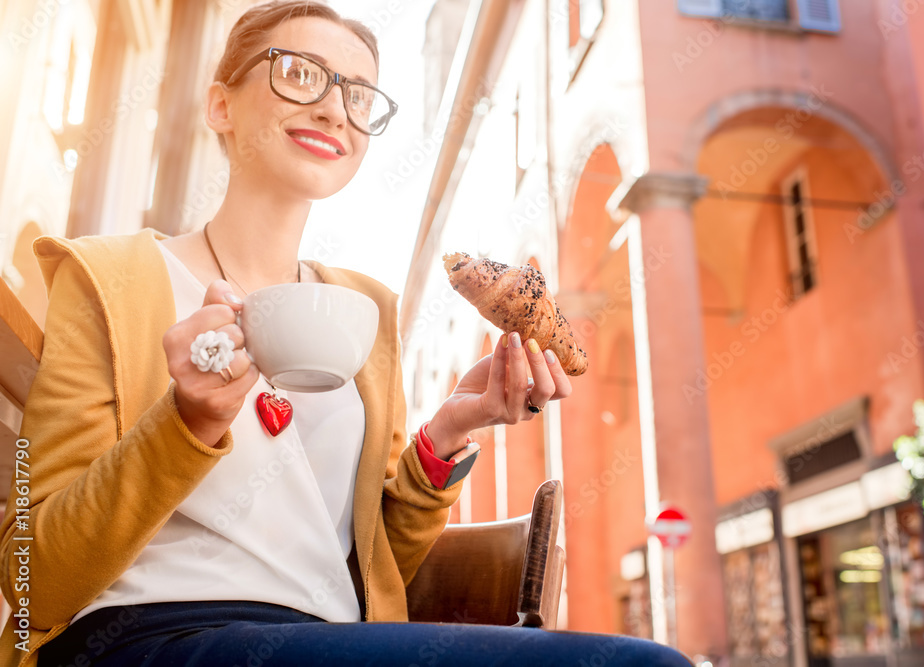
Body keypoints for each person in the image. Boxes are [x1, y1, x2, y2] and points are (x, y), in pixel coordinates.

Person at [0, 2, 691, 665]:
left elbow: (375, 562)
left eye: (359, 94)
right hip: (145, 635)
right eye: (299, 72)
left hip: (330, 638)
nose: (335, 106)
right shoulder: (108, 278)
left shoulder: (365, 310)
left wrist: (449, 430)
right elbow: (31, 580)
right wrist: (185, 422)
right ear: (221, 105)